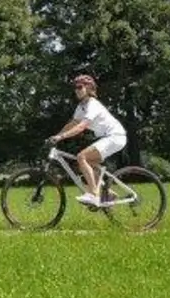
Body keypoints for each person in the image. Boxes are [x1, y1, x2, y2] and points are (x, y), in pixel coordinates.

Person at [47, 74, 127, 208]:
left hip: (115, 136)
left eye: (80, 87)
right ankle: (109, 194)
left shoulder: (93, 104)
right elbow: (72, 123)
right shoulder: (81, 107)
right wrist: (56, 136)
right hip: (108, 137)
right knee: (85, 163)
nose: (77, 90)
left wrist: (60, 137)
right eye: (75, 87)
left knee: (81, 156)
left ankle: (94, 195)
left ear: (89, 88)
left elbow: (81, 126)